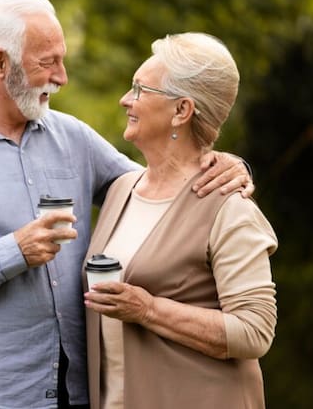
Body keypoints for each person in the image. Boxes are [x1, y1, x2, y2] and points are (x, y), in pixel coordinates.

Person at [0, 0, 253, 409]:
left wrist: (224, 163)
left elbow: (158, 188)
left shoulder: (73, 138)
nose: (62, 77)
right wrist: (10, 253)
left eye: (62, 59)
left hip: (75, 395)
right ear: (0, 64)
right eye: (48, 62)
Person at [82, 32, 277, 409]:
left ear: (181, 110)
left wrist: (149, 309)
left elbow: (255, 331)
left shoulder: (229, 207)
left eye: (140, 89)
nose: (125, 99)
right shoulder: (122, 189)